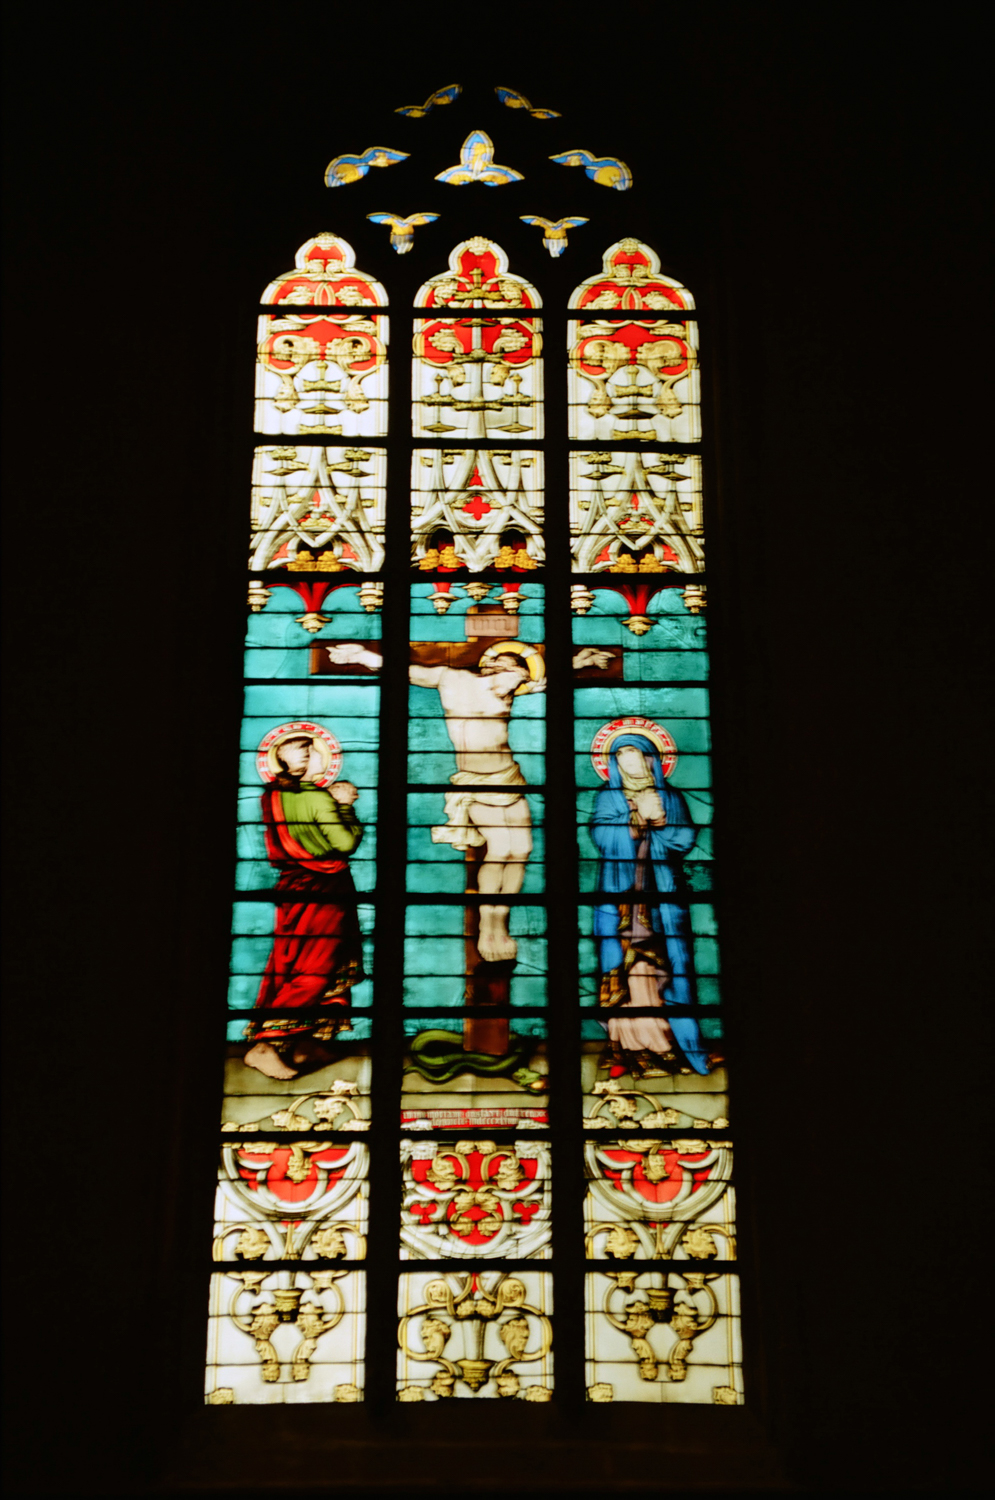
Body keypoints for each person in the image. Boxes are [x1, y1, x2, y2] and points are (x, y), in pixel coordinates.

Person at [326, 641, 610, 962]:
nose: (519, 685)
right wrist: (363, 656)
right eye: (516, 674)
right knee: (500, 850)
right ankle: (488, 924)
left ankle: (502, 919)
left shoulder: (508, 688)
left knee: (522, 850)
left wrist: (580, 661)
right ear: (495, 668)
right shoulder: (454, 680)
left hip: (509, 777)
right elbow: (409, 672)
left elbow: (543, 678)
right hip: (476, 782)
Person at [244, 733, 364, 1079]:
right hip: (323, 888)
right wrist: (345, 805)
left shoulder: (272, 795)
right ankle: (267, 1044)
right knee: (317, 964)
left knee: (292, 959)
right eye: (313, 752)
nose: (320, 757)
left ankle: (305, 1040)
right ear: (308, 760)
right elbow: (345, 842)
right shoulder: (316, 798)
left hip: (292, 887)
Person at [590, 734, 709, 1075]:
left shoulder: (670, 796)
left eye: (634, 754)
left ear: (650, 759)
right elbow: (601, 836)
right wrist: (636, 820)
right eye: (621, 756)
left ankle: (668, 1041)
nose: (628, 761)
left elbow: (684, 838)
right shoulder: (608, 797)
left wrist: (659, 821)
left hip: (661, 897)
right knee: (627, 968)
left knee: (662, 966)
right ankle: (631, 1045)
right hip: (620, 897)